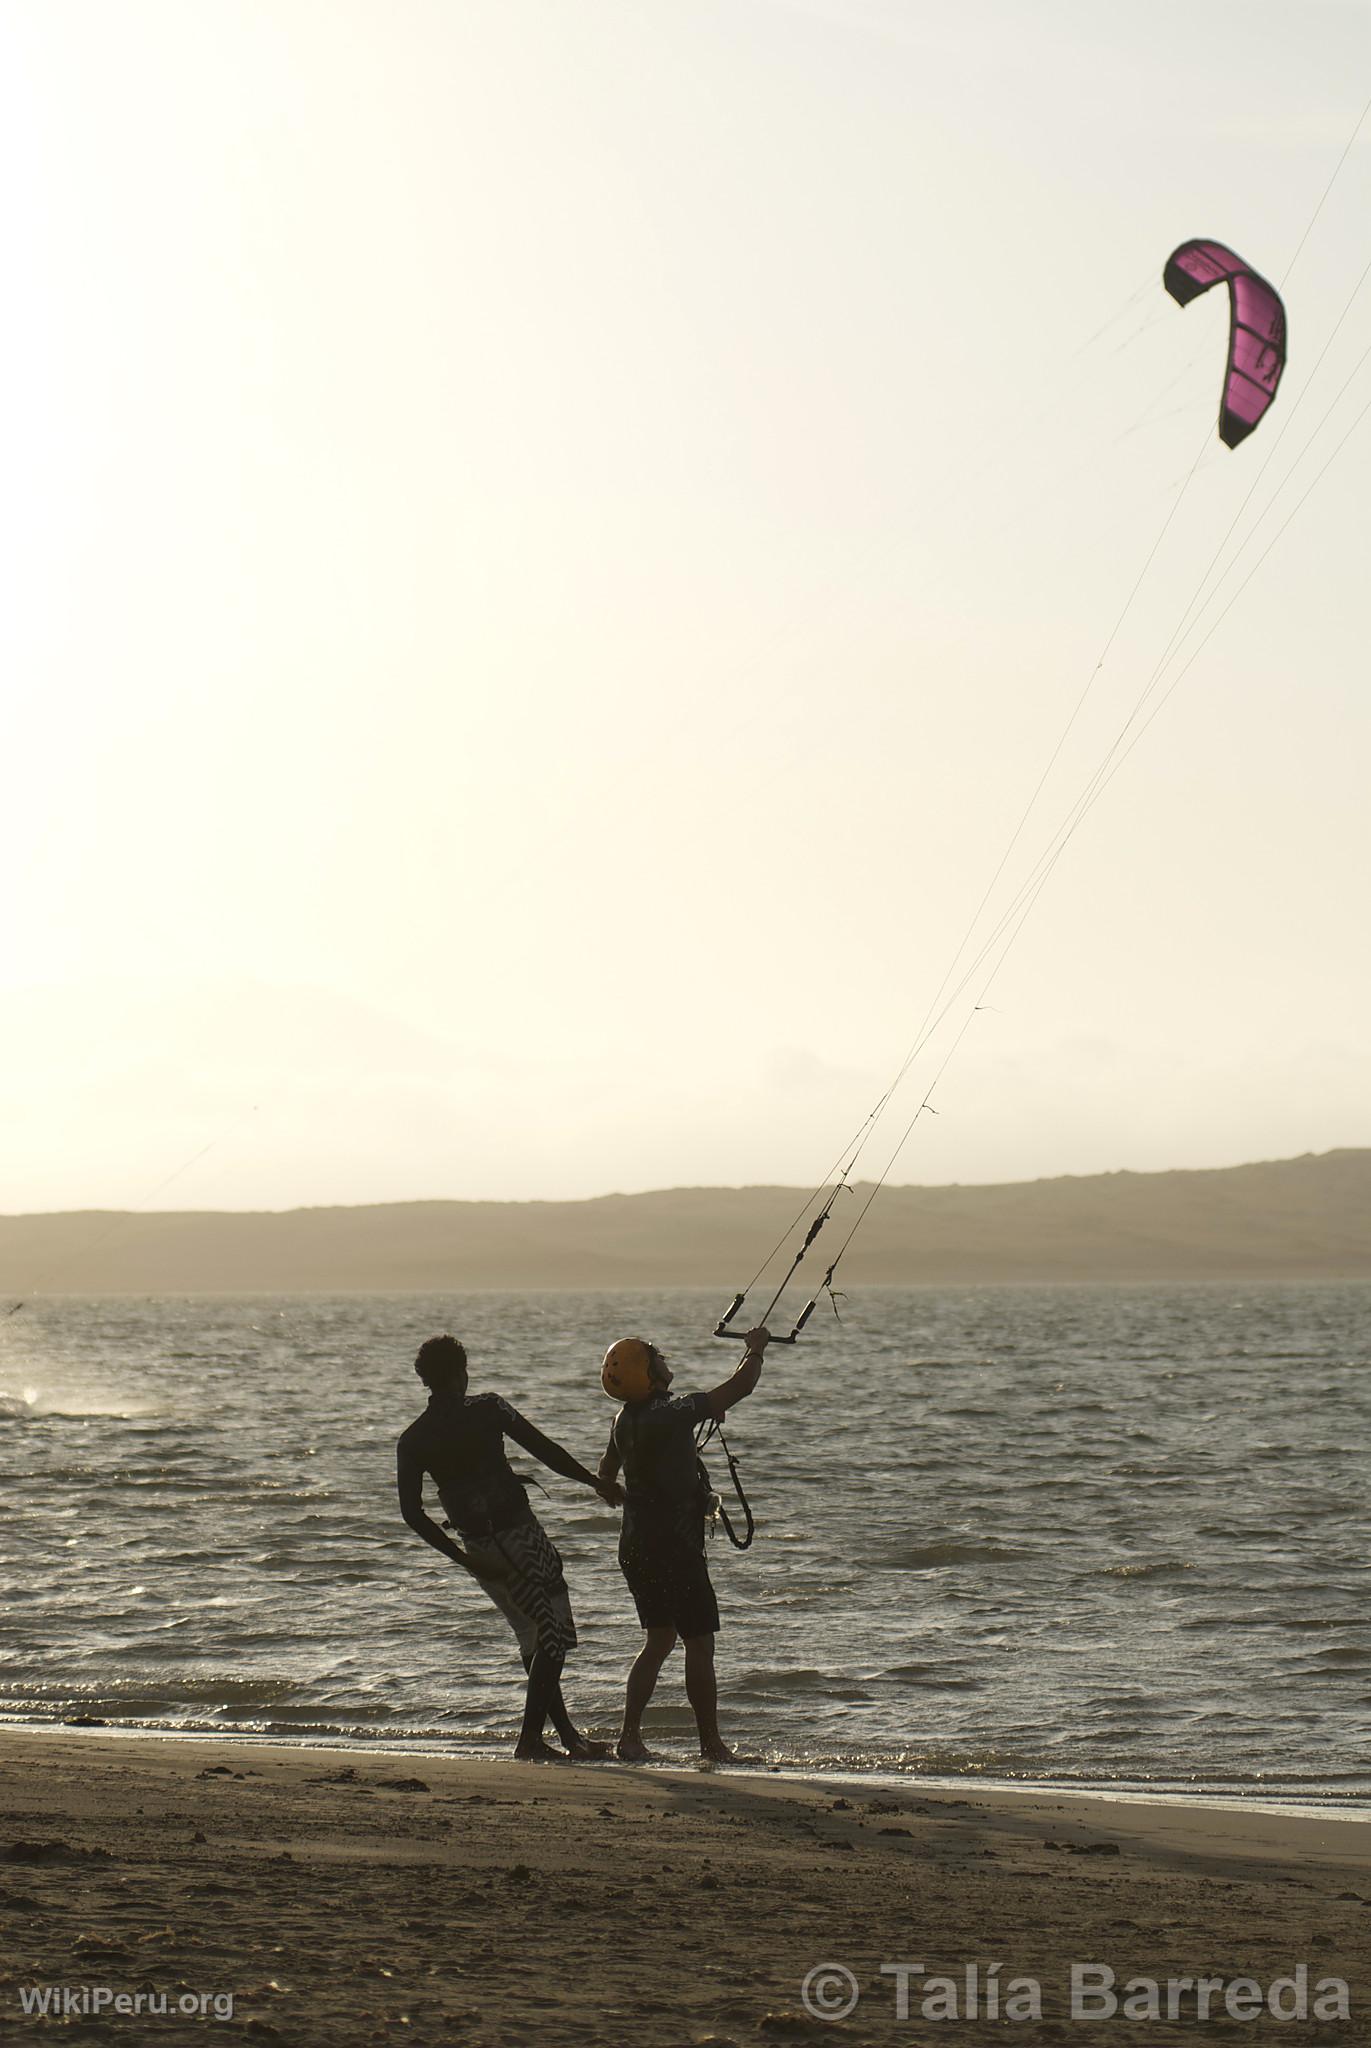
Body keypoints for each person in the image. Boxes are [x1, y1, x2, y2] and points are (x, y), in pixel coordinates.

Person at [397, 1334, 623, 1762]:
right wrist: (597, 1483)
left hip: (478, 1547)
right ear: (461, 1373)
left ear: (427, 1380)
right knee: (550, 1640)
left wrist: (463, 1558)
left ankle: (567, 1740)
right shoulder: (488, 1408)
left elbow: (412, 1513)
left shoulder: (414, 1439)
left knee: (534, 1640)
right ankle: (531, 1741)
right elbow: (546, 1451)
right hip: (521, 1538)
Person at [597, 1327, 768, 1763]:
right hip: (674, 1546)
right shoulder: (671, 1413)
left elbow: (605, 1473)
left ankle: (630, 1737)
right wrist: (756, 1349)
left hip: (635, 1545)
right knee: (699, 1642)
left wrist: (618, 1490)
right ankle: (711, 1745)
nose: (663, 1363)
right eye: (656, 1359)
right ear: (648, 1374)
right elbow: (740, 1387)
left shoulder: (624, 1420)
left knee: (658, 1640)